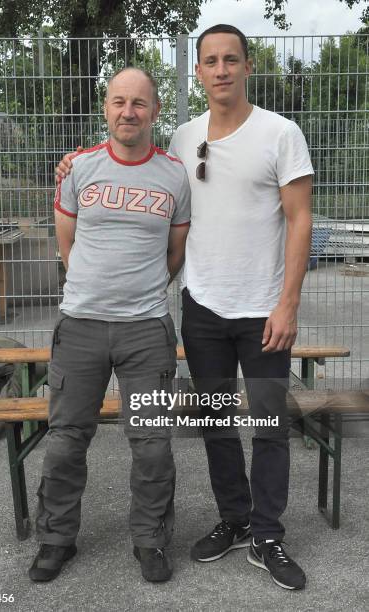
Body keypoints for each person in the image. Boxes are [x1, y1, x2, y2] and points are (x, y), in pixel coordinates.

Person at [56, 24, 314, 591]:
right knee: (218, 423)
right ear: (197, 72)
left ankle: (269, 535)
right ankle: (235, 518)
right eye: (210, 61)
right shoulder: (180, 139)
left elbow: (300, 220)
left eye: (231, 60)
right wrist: (73, 163)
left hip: (264, 311)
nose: (220, 70)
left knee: (269, 425)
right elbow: (133, 159)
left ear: (248, 66)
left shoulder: (281, 133)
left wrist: (288, 303)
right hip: (204, 311)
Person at [29, 66, 190, 584]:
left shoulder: (174, 175)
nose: (128, 112)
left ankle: (150, 540)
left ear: (155, 112)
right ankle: (56, 539)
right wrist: (94, 291)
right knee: (65, 441)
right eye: (119, 102)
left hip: (146, 330)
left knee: (152, 444)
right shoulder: (79, 169)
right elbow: (66, 245)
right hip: (80, 327)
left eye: (139, 103)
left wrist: (137, 293)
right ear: (106, 108)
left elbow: (175, 253)